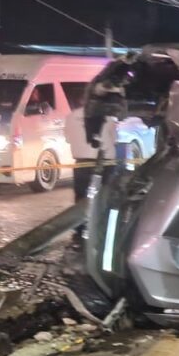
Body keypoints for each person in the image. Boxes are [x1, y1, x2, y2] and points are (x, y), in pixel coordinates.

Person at [65, 90, 117, 242]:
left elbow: (68, 138)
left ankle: (80, 232)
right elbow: (114, 139)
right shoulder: (107, 117)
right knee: (104, 197)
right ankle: (102, 230)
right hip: (105, 162)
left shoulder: (71, 116)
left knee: (81, 198)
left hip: (82, 163)